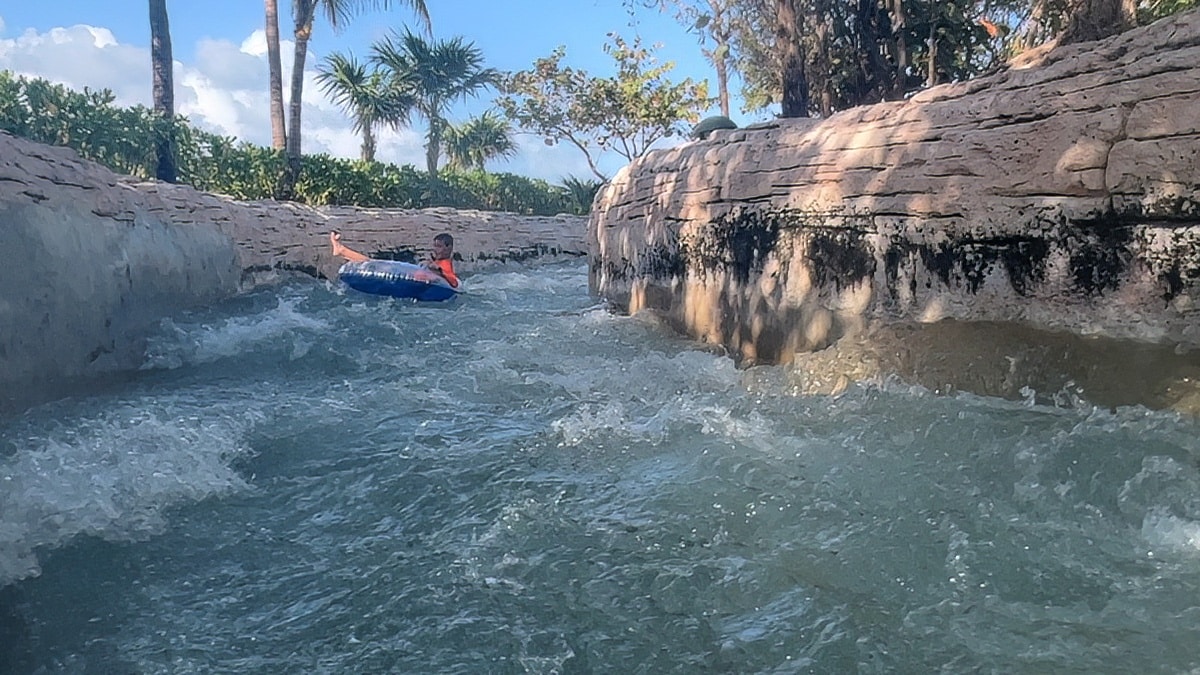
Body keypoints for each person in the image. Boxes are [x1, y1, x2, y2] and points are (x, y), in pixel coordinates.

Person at [330, 231, 459, 288]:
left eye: (439, 247)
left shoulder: (445, 264)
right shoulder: (438, 262)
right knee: (371, 263)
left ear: (449, 248)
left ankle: (342, 250)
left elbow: (453, 282)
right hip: (409, 275)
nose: (436, 250)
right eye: (435, 246)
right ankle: (342, 251)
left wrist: (438, 270)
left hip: (412, 280)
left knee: (370, 262)